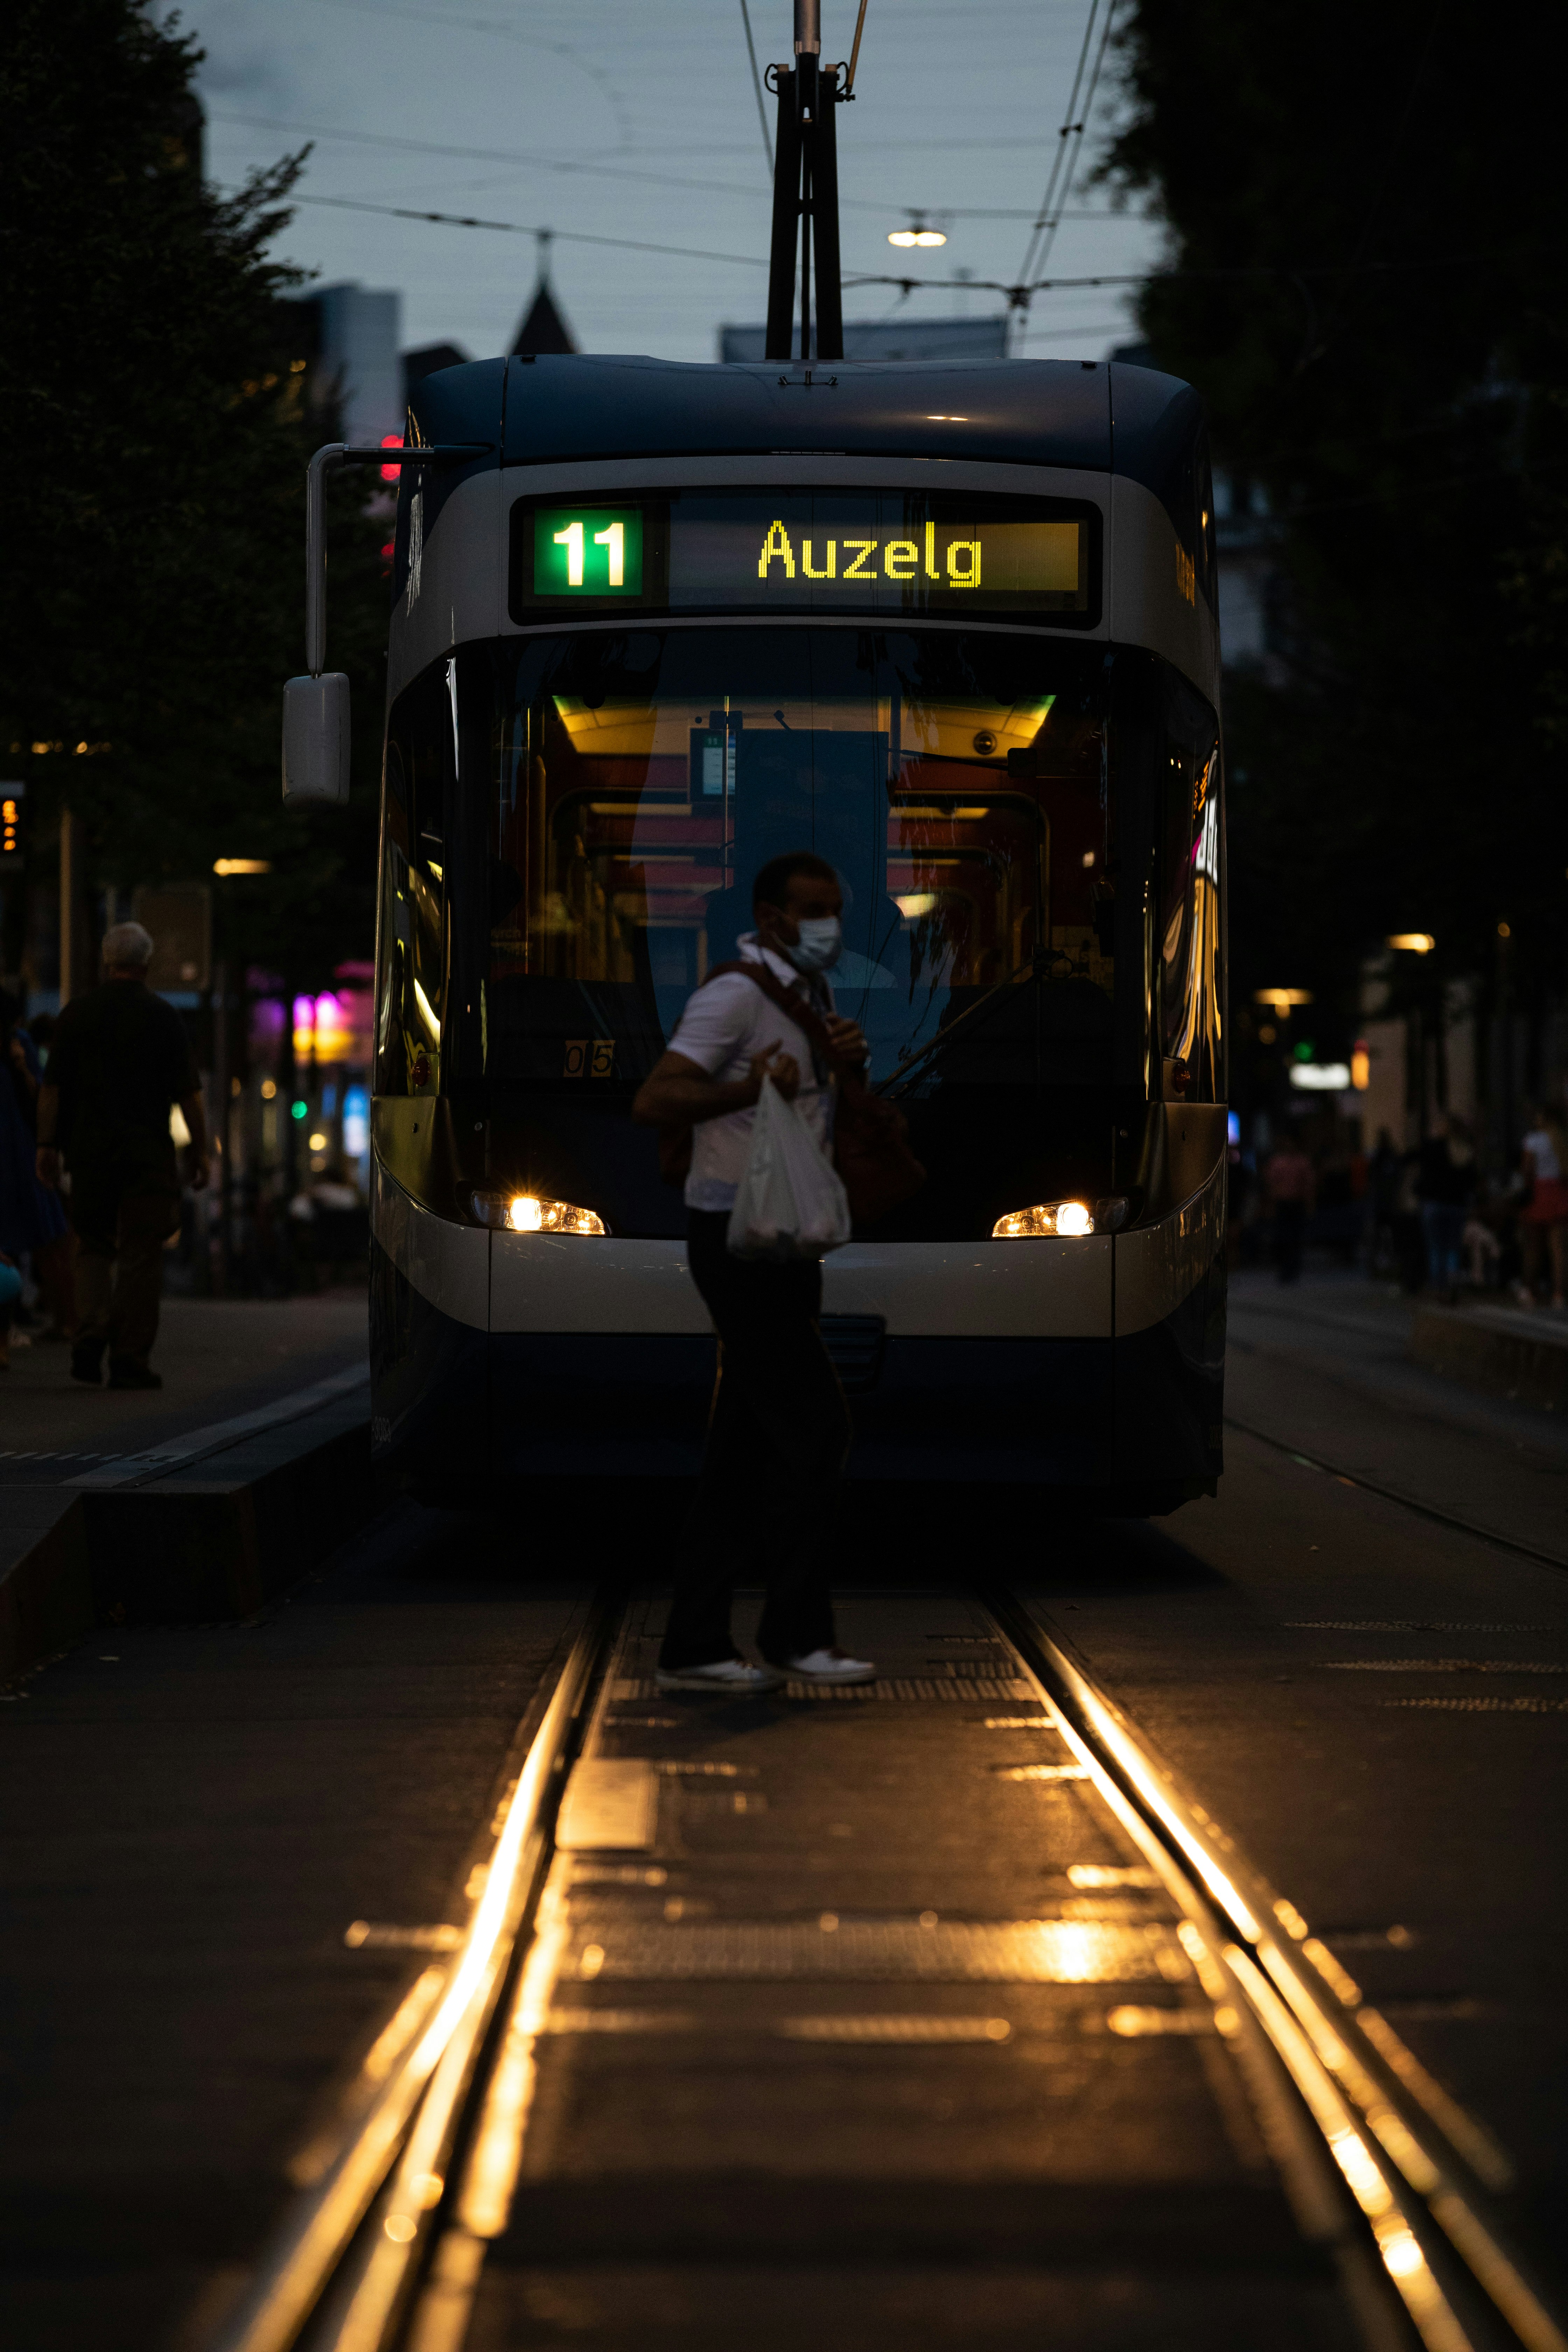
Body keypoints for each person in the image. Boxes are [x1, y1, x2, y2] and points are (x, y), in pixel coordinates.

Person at [632, 851, 876, 1693]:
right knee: (817, 1429)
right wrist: (747, 1089)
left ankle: (696, 1644)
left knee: (742, 1446)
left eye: (836, 908)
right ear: (771, 917)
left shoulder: (811, 995)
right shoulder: (735, 993)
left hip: (784, 1242)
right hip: (734, 1239)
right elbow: (655, 1099)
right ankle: (797, 1634)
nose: (829, 926)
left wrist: (848, 1062)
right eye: (813, 909)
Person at [35, 922, 209, 1389]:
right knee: (141, 1252)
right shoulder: (164, 1018)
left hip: (89, 1153)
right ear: (147, 963)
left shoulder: (75, 1016)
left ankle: (89, 1333)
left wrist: (46, 1145)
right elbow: (189, 1095)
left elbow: (52, 1091)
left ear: (107, 963)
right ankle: (130, 1356)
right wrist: (201, 1151)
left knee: (91, 1245)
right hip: (146, 1154)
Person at [0, 990, 72, 1338]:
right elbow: (41, 1094)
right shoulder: (21, 1044)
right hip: (25, 1149)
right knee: (50, 1240)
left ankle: (62, 1320)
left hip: (18, 1149)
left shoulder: (20, 1045)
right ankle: (66, 1319)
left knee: (40, 1242)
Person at [1416, 1113, 1476, 1304]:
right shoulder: (1465, 1151)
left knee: (1436, 1249)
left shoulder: (1433, 1148)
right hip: (1457, 1205)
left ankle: (1440, 1288)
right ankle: (1452, 1285)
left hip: (1434, 1204)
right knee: (1453, 1248)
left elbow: (1422, 1172)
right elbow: (1471, 1181)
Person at [1514, 1104, 1568, 1310]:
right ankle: (1559, 1294)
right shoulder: (1563, 1140)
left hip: (1539, 1193)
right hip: (1560, 1192)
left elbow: (1527, 1169)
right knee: (1560, 1250)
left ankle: (1530, 1290)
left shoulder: (1535, 1140)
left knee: (1534, 1247)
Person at [1263, 1130, 1315, 1284]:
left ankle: (1294, 1271)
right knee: (1283, 1237)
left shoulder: (1302, 1162)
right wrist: (1270, 1204)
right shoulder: (1277, 1162)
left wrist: (1310, 1203)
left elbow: (1309, 1184)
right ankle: (1284, 1271)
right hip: (1282, 1204)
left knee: (1296, 1238)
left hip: (1297, 1204)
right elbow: (1271, 1184)